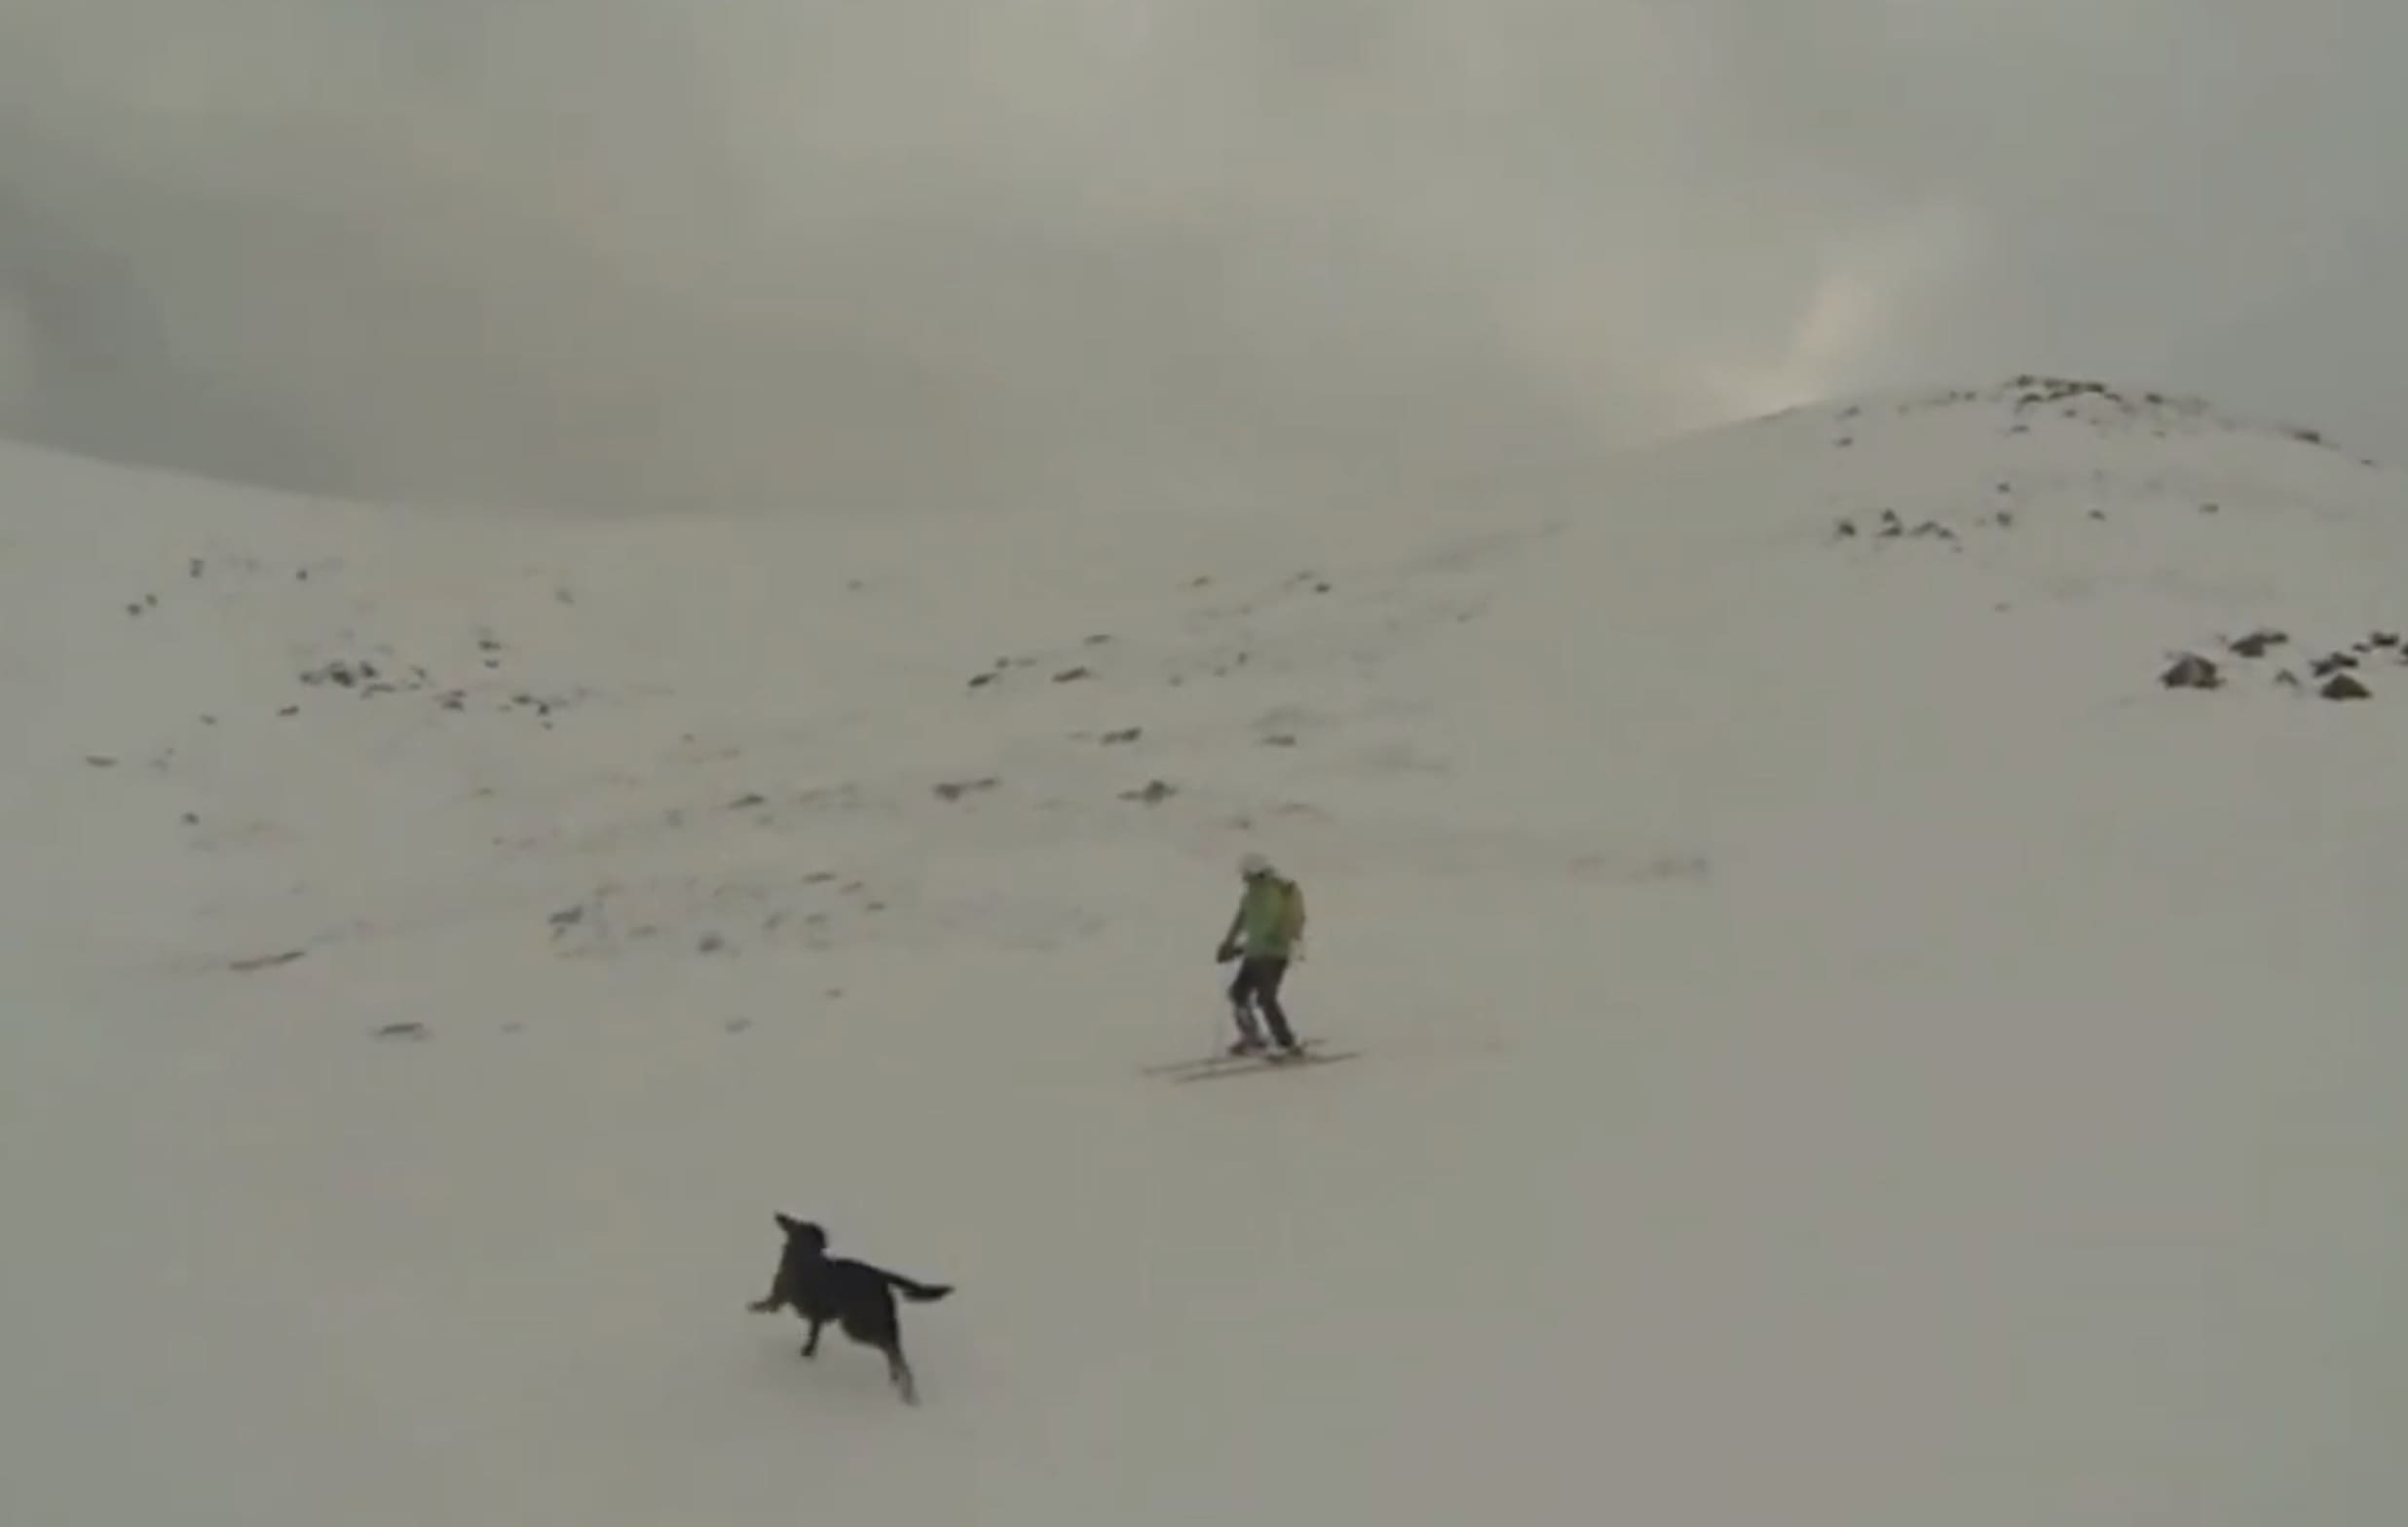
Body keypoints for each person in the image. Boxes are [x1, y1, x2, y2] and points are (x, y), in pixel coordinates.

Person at [1215, 852, 1306, 1056]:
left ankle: (1286, 1043)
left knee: (1266, 998)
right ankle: (1252, 1038)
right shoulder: (1251, 894)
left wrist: (1238, 947)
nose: (1243, 878)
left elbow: (1266, 927)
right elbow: (1241, 919)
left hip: (1273, 954)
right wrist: (1229, 943)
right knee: (1238, 994)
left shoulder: (1270, 893)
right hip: (1255, 954)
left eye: (1245, 874)